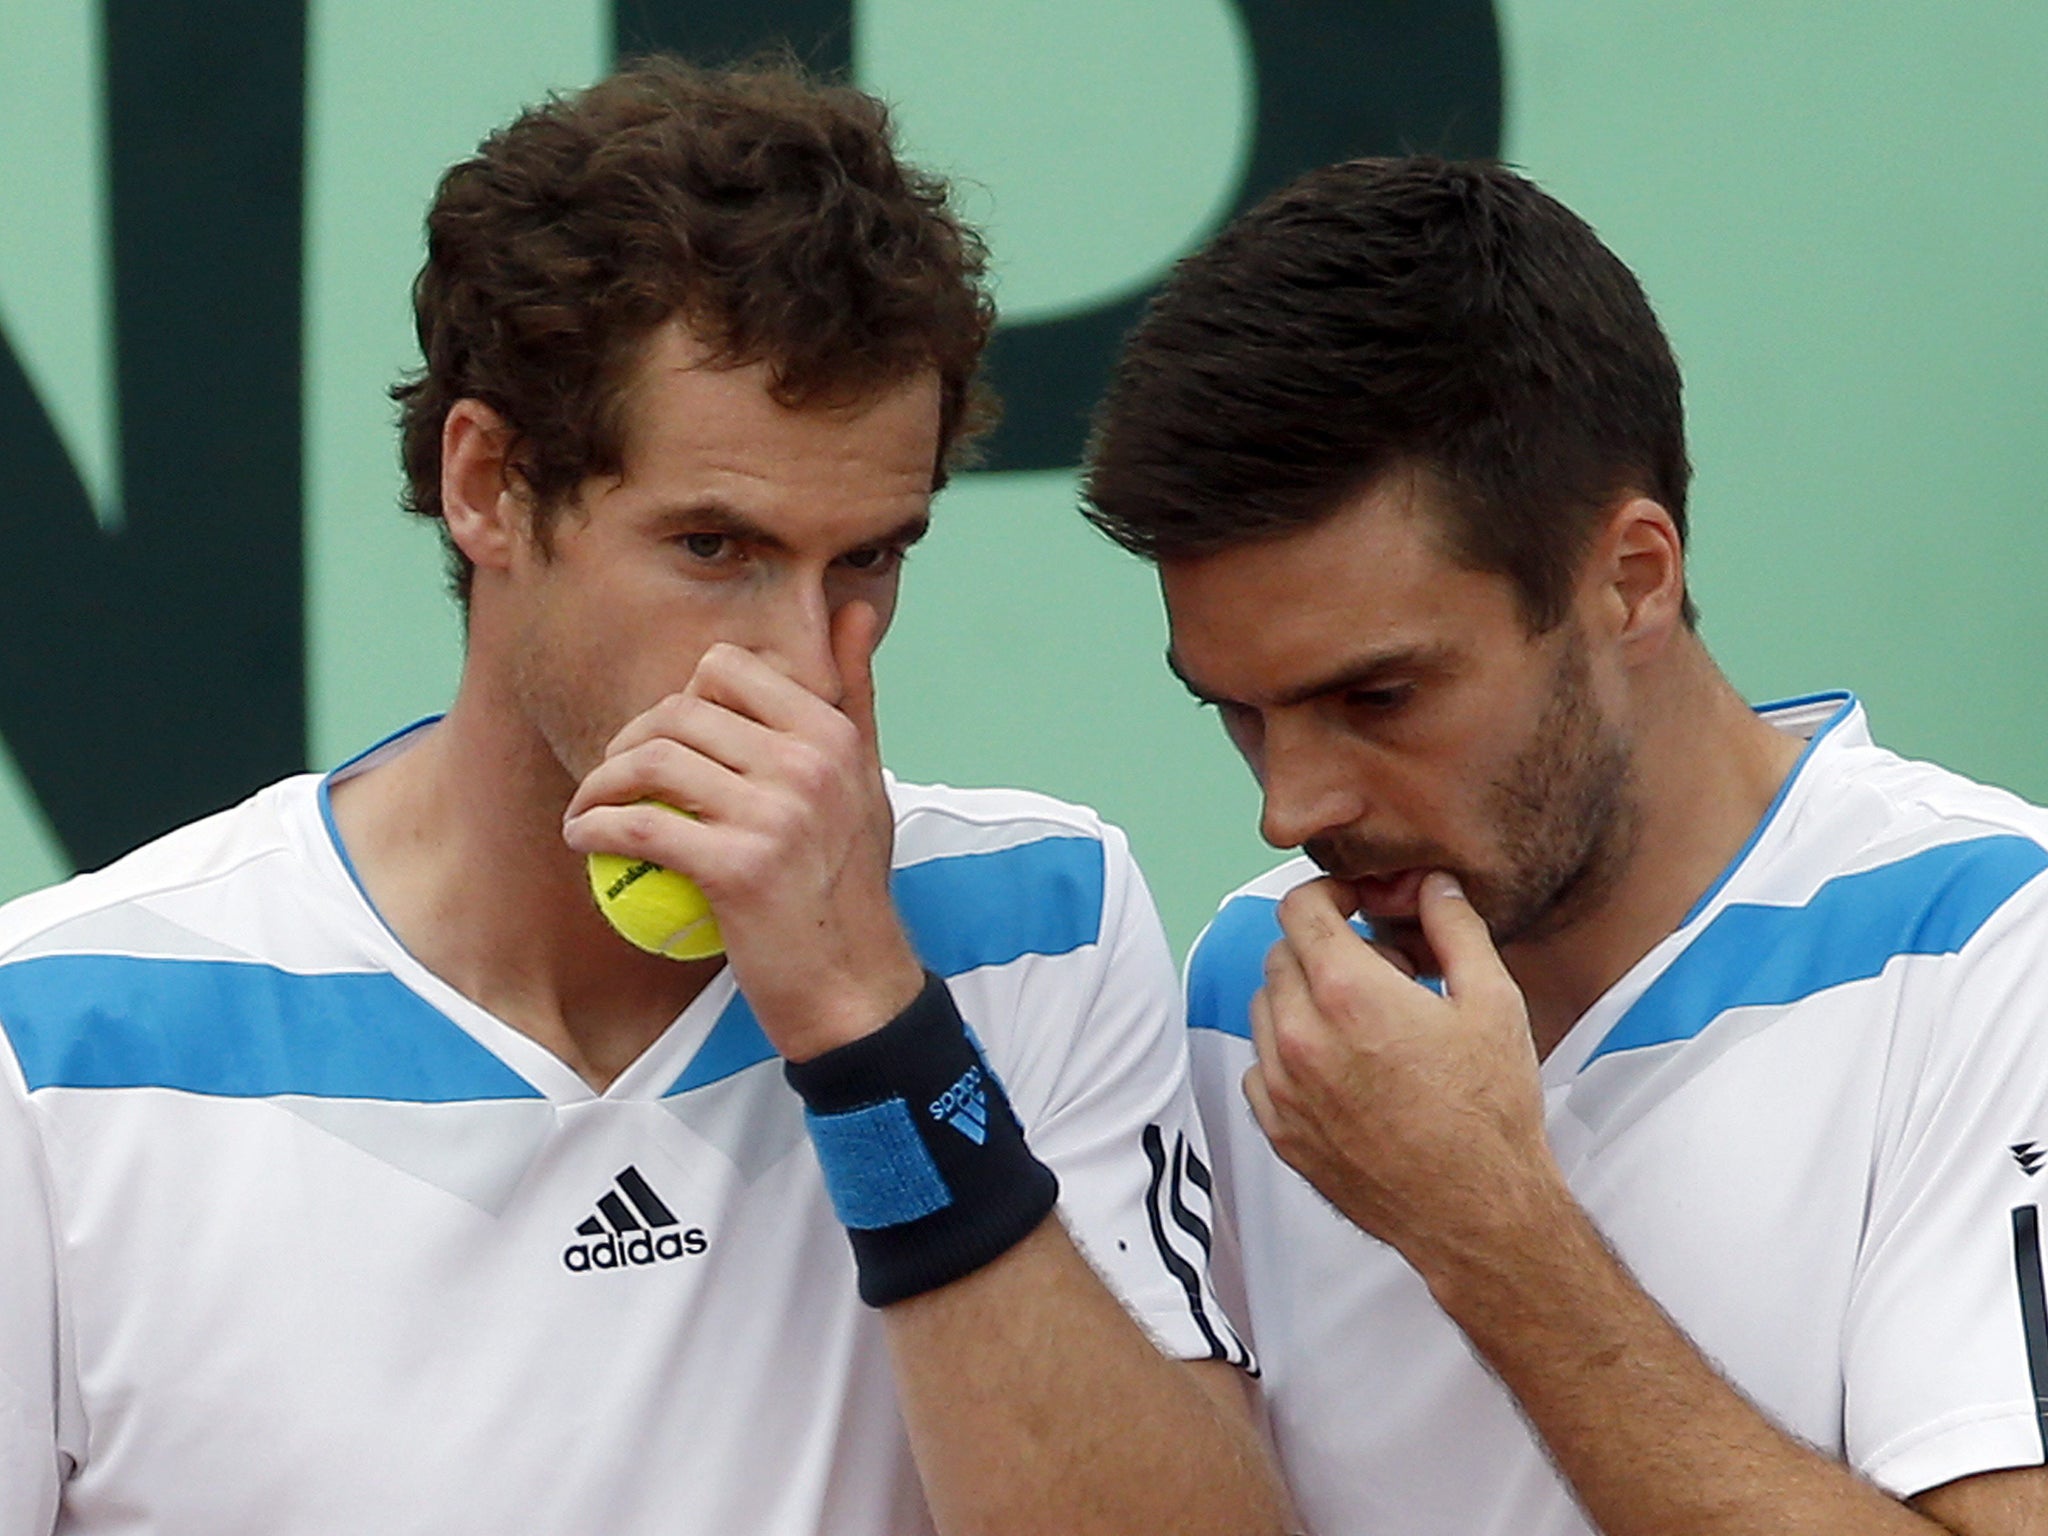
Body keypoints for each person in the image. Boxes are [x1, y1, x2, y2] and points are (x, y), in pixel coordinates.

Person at [0, 59, 1289, 1536]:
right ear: (489, 488)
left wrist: (868, 1019)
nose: (805, 664)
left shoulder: (1037, 926)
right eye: (714, 548)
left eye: (867, 558)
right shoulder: (53, 1047)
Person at [1081, 156, 2048, 1536]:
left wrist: (1487, 1229)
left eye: (1378, 697)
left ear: (1630, 581)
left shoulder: (1996, 944)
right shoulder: (1259, 985)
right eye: (1238, 713)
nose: (1289, 810)